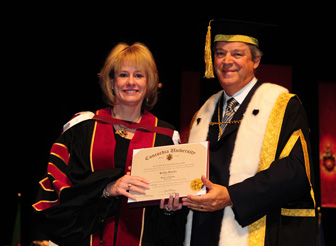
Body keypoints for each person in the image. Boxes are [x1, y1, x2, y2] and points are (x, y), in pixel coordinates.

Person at [33, 42, 187, 246]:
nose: (130, 82)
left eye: (139, 75)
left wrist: (169, 209)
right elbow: (57, 192)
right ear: (112, 82)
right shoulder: (82, 129)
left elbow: (167, 226)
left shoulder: (166, 138)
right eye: (123, 75)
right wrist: (106, 189)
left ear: (149, 83)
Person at [182, 19, 317, 246]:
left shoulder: (281, 104)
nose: (226, 61)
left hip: (257, 231)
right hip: (202, 233)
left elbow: (295, 172)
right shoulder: (202, 112)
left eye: (237, 54)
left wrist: (232, 196)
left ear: (256, 60)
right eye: (220, 53)